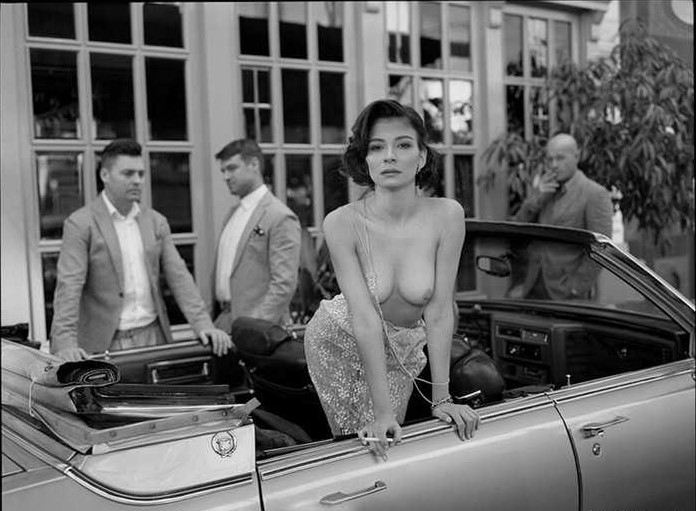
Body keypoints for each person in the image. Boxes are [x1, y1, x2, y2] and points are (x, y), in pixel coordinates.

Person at [304, 99, 480, 458]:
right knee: (365, 444)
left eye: (403, 145)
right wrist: (381, 413)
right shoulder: (341, 223)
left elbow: (439, 312)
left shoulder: (448, 216)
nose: (389, 156)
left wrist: (442, 398)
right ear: (364, 159)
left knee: (389, 446)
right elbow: (364, 318)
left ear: (422, 157)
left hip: (403, 347)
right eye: (376, 147)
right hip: (339, 339)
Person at [51, 139, 231, 362]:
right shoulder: (80, 223)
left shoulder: (156, 221)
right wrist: (65, 343)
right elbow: (69, 286)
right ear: (105, 175)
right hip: (103, 343)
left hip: (154, 336)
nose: (137, 180)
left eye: (141, 174)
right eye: (128, 173)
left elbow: (179, 277)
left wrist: (203, 324)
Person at [212, 139, 301, 333]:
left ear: (254, 164)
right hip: (224, 322)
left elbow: (284, 283)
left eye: (232, 168)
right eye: (223, 171)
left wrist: (255, 328)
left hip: (259, 330)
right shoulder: (232, 213)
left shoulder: (280, 216)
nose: (226, 176)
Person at [512, 133, 613, 300]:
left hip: (567, 293)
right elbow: (518, 228)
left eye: (560, 158)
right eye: (549, 159)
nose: (554, 165)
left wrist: (575, 288)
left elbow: (602, 249)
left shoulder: (594, 194)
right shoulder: (545, 189)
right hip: (533, 287)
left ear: (577, 156)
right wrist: (537, 198)